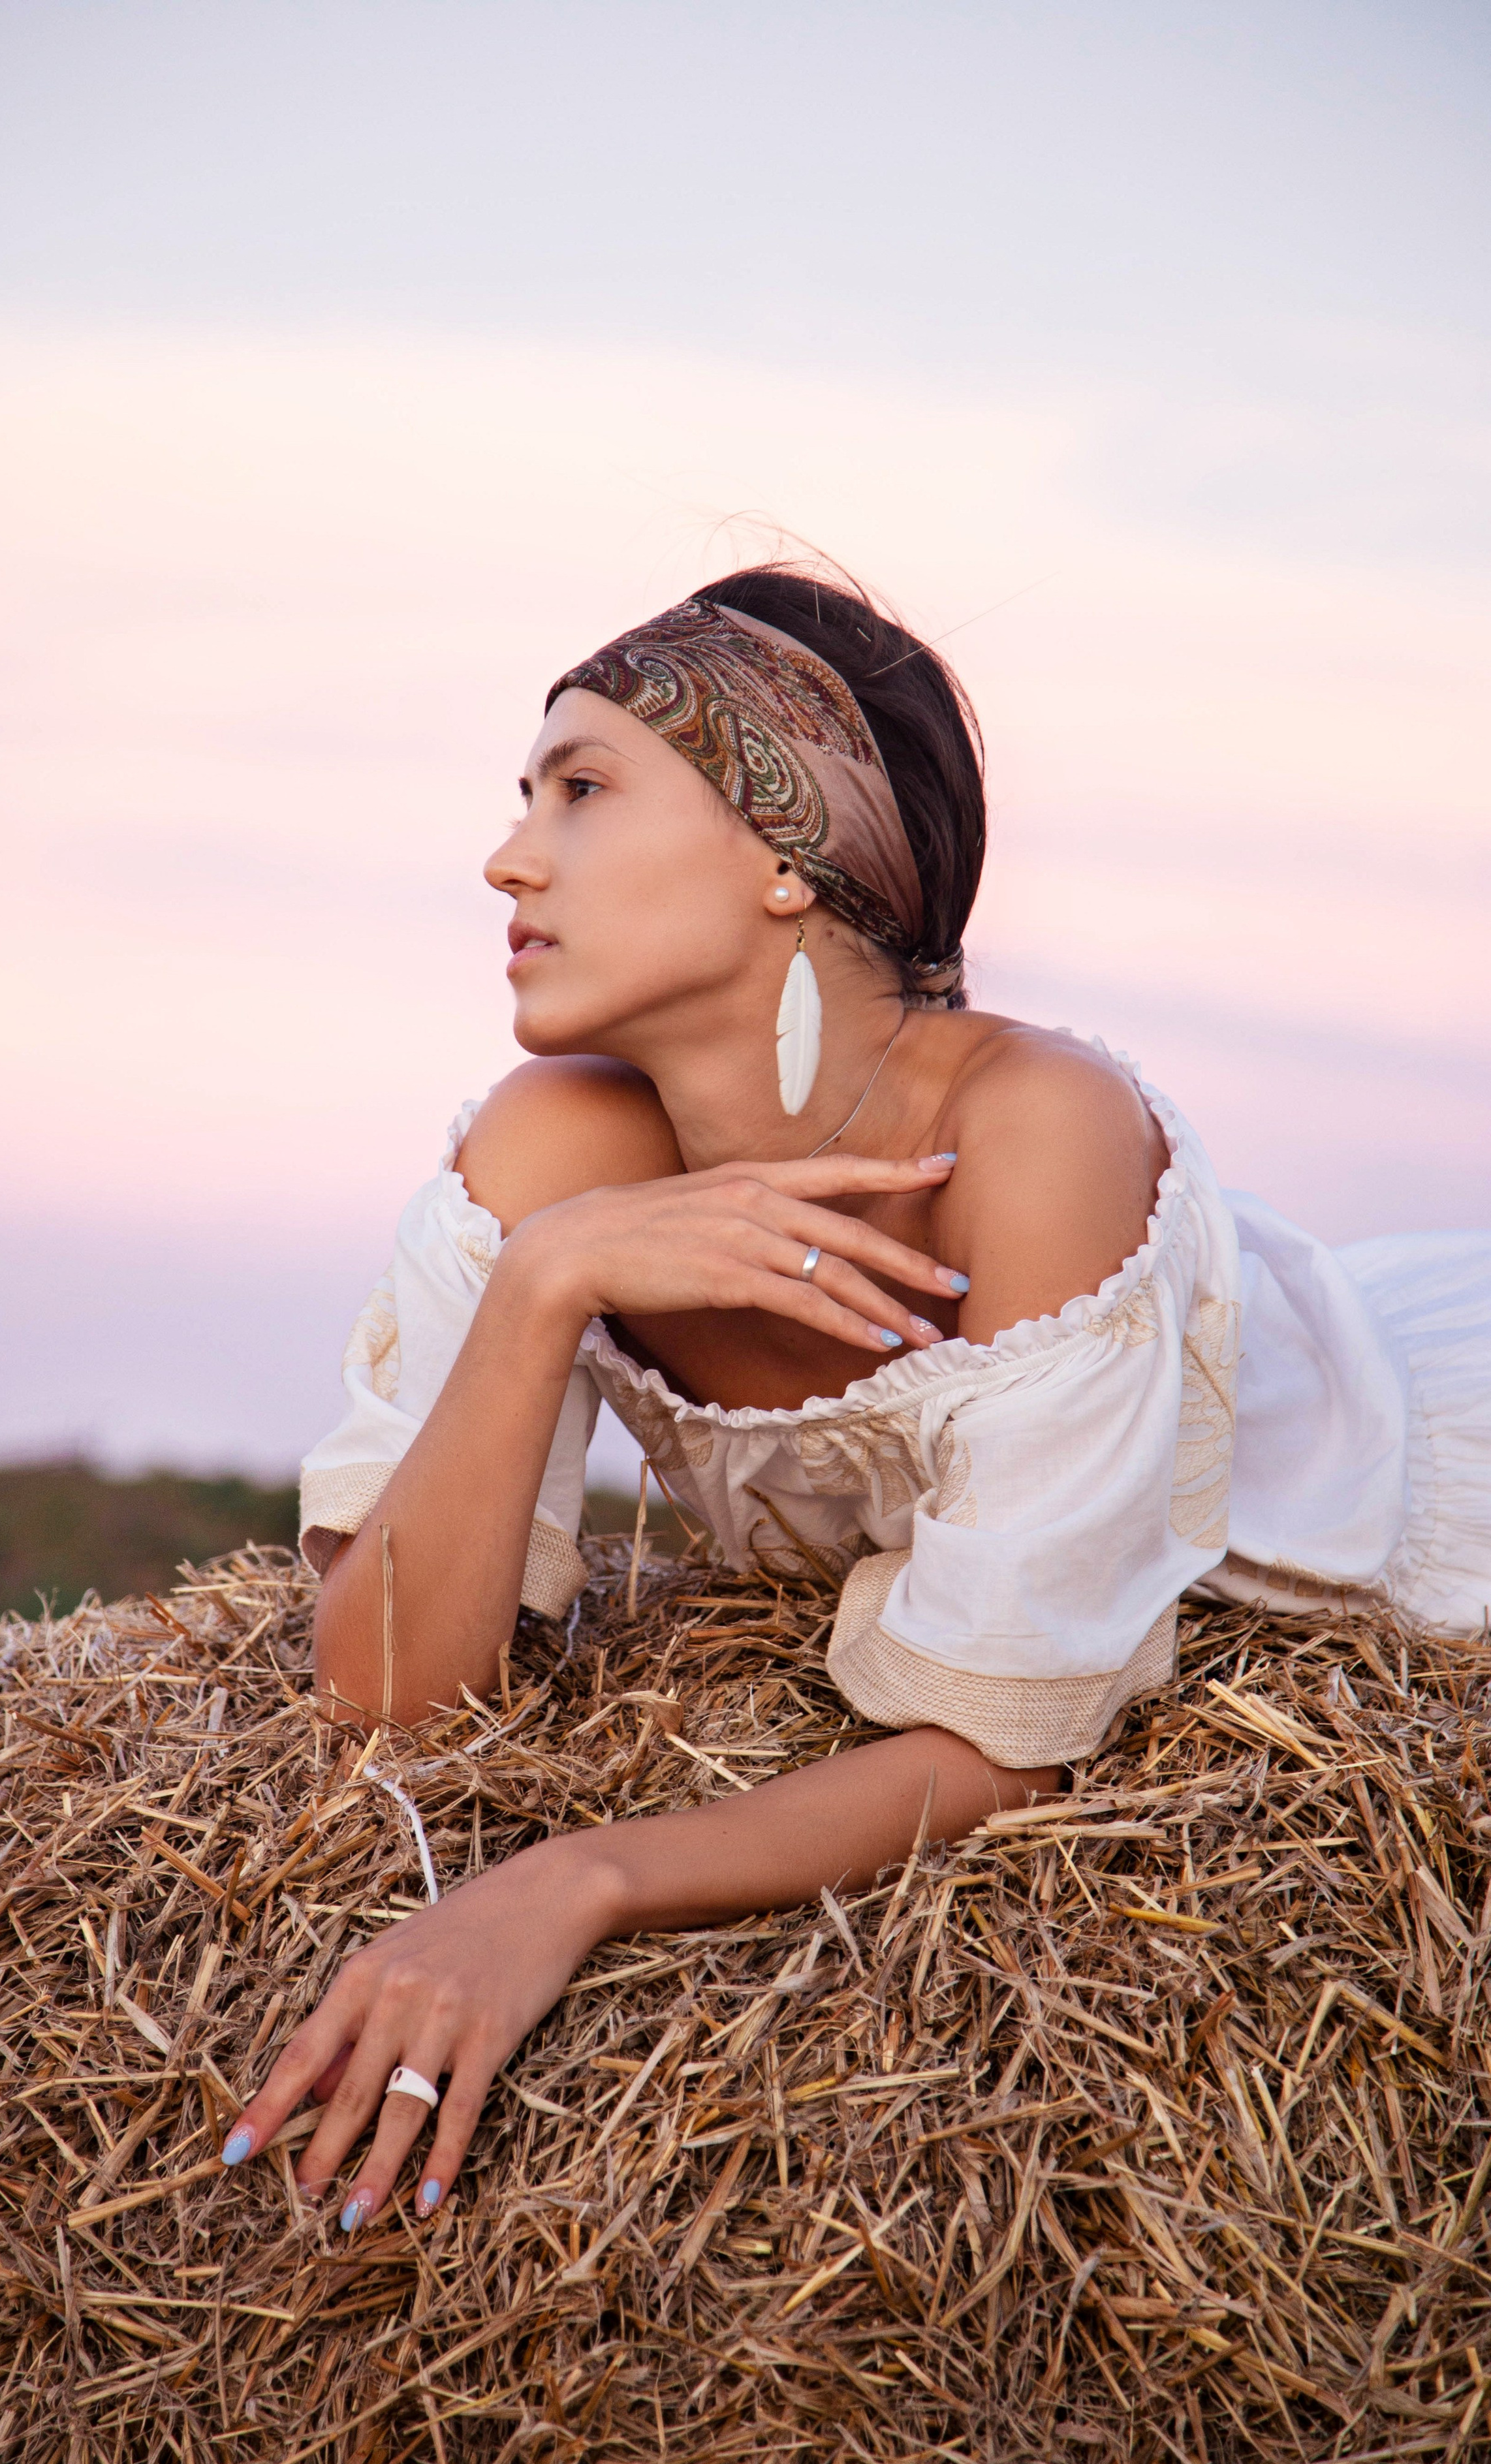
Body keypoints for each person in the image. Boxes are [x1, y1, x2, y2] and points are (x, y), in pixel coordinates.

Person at [217, 566, 1491, 2236]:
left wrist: (573, 1880)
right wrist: (545, 1283)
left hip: (1433, 1422)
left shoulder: (1035, 1129)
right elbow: (387, 1696)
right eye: (522, 797)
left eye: (580, 790)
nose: (508, 858)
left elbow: (1003, 1737)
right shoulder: (546, 1150)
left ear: (783, 852)